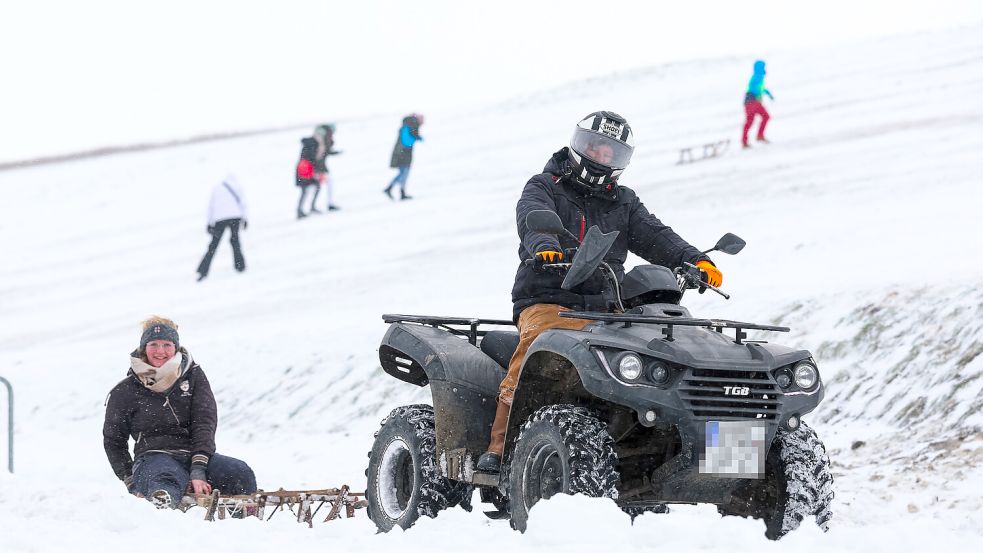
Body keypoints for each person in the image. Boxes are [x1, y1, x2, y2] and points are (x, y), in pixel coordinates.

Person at [474, 111, 723, 472]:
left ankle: (685, 455)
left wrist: (695, 260)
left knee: (658, 354)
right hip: (549, 300)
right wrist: (545, 245)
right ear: (579, 144)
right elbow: (533, 216)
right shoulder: (545, 185)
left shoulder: (623, 201)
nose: (601, 156)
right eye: (596, 147)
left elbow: (655, 235)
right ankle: (499, 450)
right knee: (538, 343)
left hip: (609, 308)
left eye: (610, 152)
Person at [103, 316, 257, 509]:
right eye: (154, 344)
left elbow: (204, 423)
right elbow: (113, 440)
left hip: (195, 456)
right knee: (164, 482)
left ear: (175, 347)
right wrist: (130, 480)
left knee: (239, 472)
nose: (160, 351)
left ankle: (244, 523)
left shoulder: (194, 377)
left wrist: (198, 469)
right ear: (144, 348)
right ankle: (163, 519)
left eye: (167, 345)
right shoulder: (125, 390)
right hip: (152, 459)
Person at [196, 174, 247, 281]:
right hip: (235, 217)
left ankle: (203, 270)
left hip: (220, 219)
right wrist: (245, 219)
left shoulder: (216, 188)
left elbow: (210, 207)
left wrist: (209, 223)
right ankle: (240, 266)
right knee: (235, 242)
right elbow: (243, 204)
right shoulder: (237, 187)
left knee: (214, 244)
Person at [384, 114, 424, 201]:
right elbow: (407, 142)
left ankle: (398, 191)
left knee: (404, 173)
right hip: (402, 154)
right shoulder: (409, 126)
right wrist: (416, 138)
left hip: (403, 154)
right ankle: (391, 189)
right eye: (422, 120)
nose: (423, 123)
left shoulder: (409, 125)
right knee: (404, 173)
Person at [742, 60, 774, 148]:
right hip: (753, 102)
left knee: (749, 121)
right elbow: (755, 88)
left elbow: (761, 88)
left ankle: (745, 142)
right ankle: (759, 136)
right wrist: (758, 95)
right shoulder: (758, 77)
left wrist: (768, 93)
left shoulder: (758, 77)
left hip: (749, 102)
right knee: (765, 116)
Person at [311, 123, 343, 211]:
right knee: (324, 184)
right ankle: (329, 204)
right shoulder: (326, 137)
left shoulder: (318, 138)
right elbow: (324, 152)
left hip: (318, 166)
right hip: (320, 167)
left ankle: (313, 206)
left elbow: (324, 152)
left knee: (316, 186)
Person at [296, 134, 320, 218]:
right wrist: (315, 172)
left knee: (308, 190)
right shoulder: (313, 145)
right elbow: (312, 160)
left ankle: (302, 210)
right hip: (307, 171)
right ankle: (302, 210)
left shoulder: (308, 144)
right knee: (307, 190)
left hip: (302, 170)